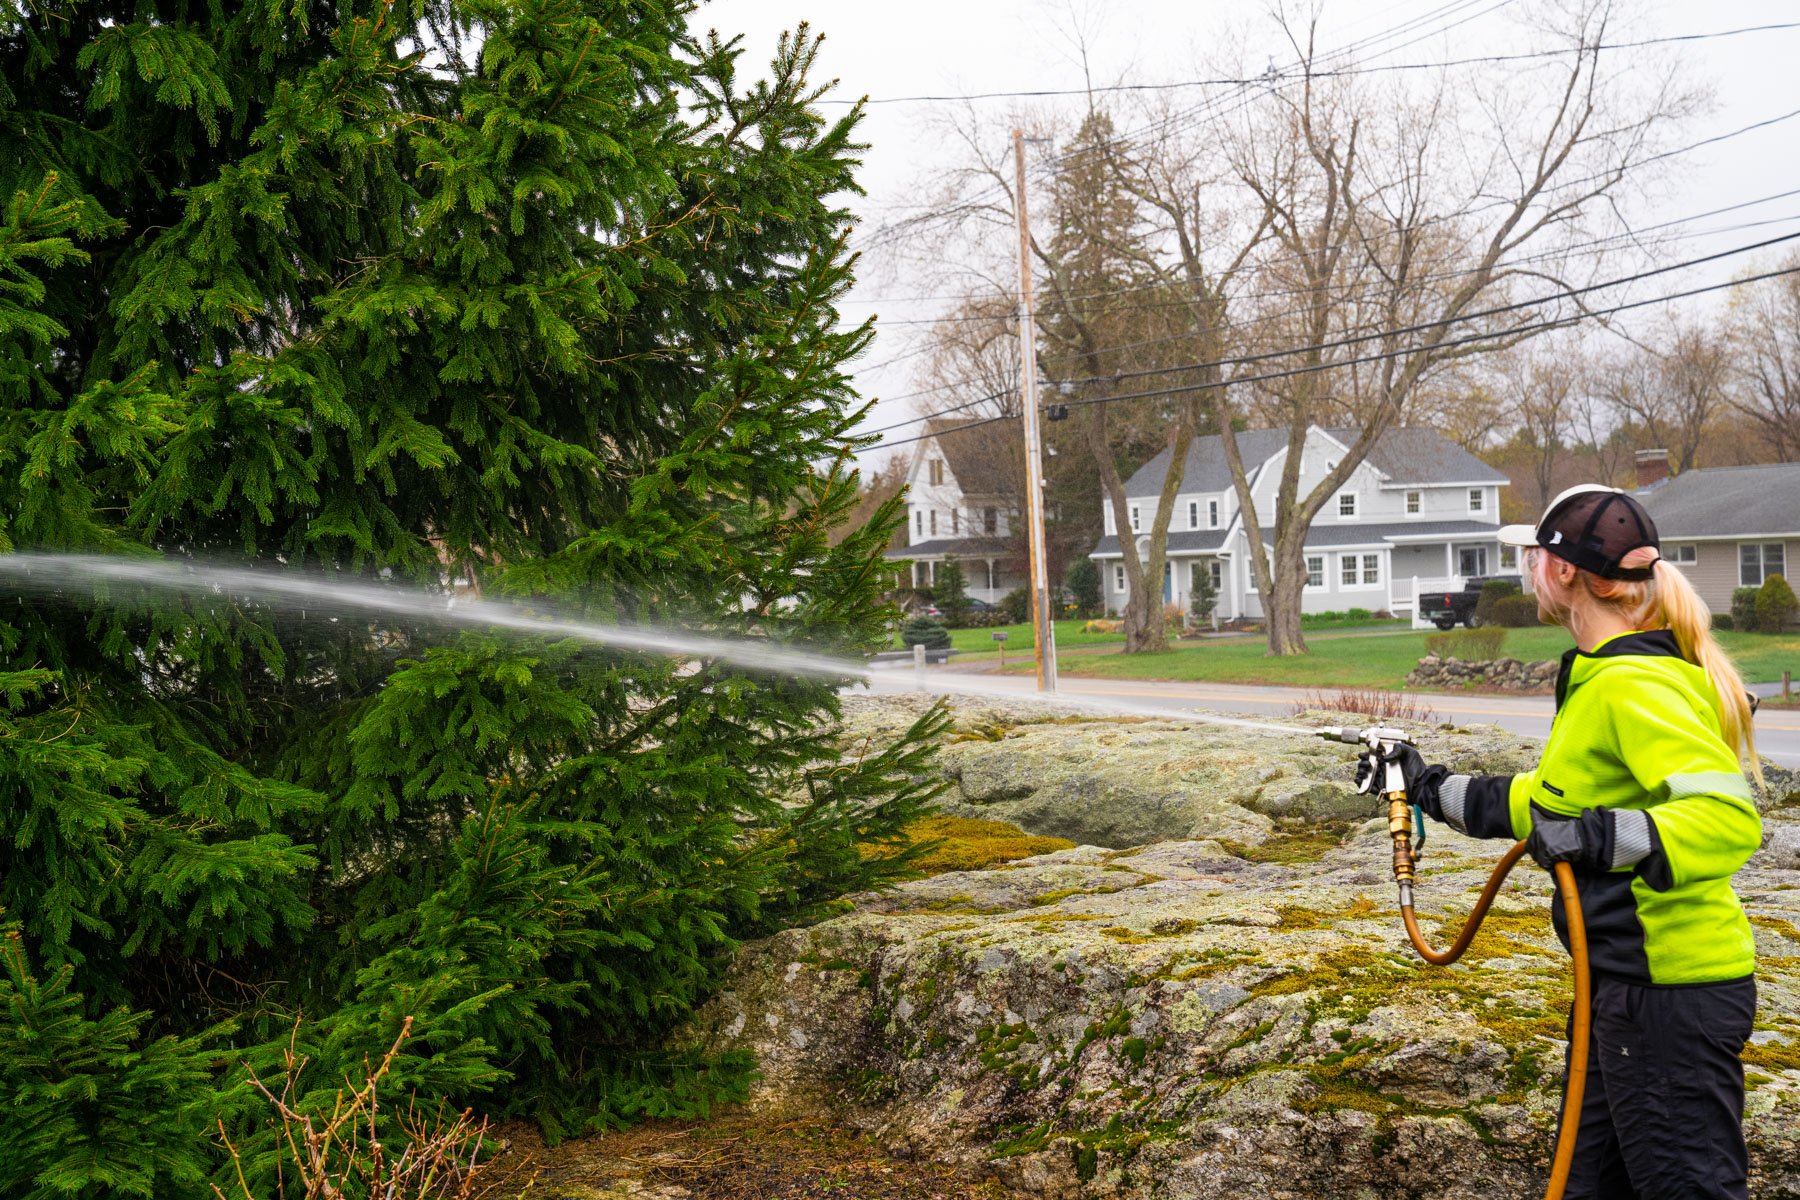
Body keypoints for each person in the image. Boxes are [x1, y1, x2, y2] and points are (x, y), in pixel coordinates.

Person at [1378, 483, 1764, 1200]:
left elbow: (1725, 820)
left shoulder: (1634, 684)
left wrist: (1592, 837)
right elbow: (1542, 803)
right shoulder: (1599, 679)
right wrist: (1426, 785)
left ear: (1559, 572)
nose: (1526, 572)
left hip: (1669, 994)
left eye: (1530, 557)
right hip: (1619, 991)